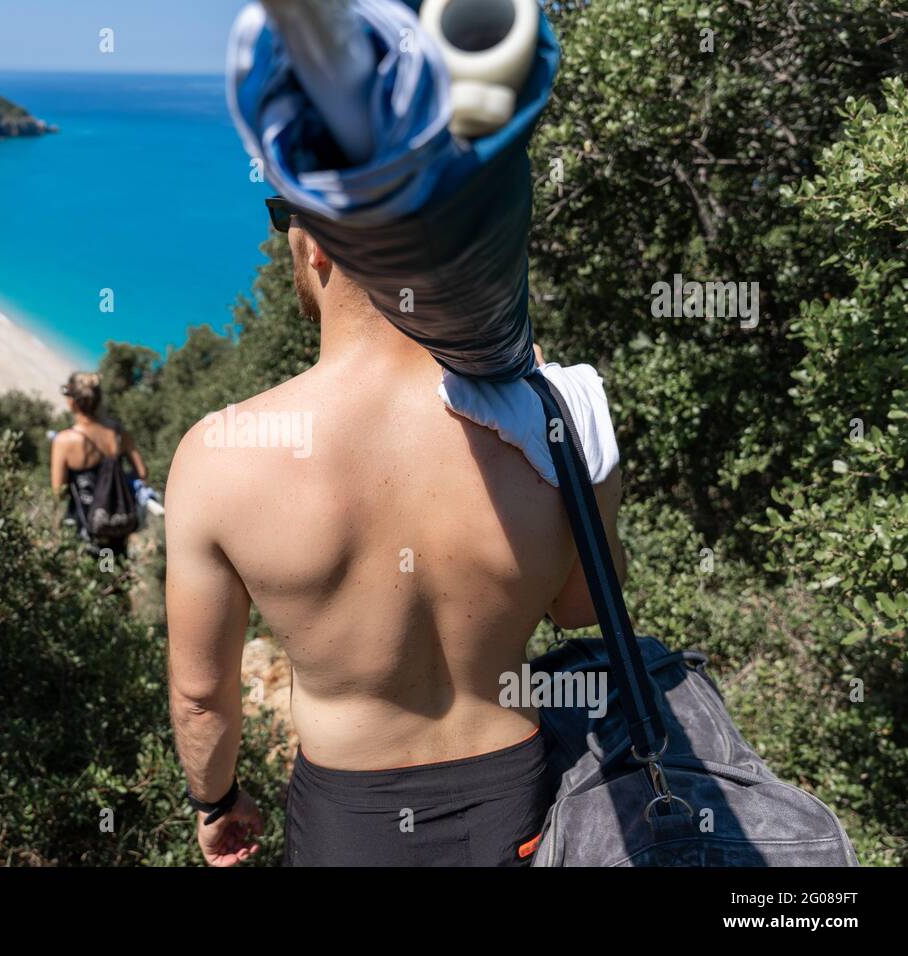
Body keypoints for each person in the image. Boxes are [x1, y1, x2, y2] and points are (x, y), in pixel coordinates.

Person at [164, 208, 625, 867]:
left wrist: (216, 802)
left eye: (280, 217)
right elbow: (584, 607)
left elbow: (201, 697)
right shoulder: (554, 411)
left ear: (317, 242)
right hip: (520, 802)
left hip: (349, 823)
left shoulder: (218, 456)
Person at [50, 372, 149, 559]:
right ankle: (111, 580)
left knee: (90, 581)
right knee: (112, 573)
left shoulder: (64, 441)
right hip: (117, 523)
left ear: (72, 402)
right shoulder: (118, 432)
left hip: (86, 527)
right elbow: (142, 472)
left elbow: (58, 493)